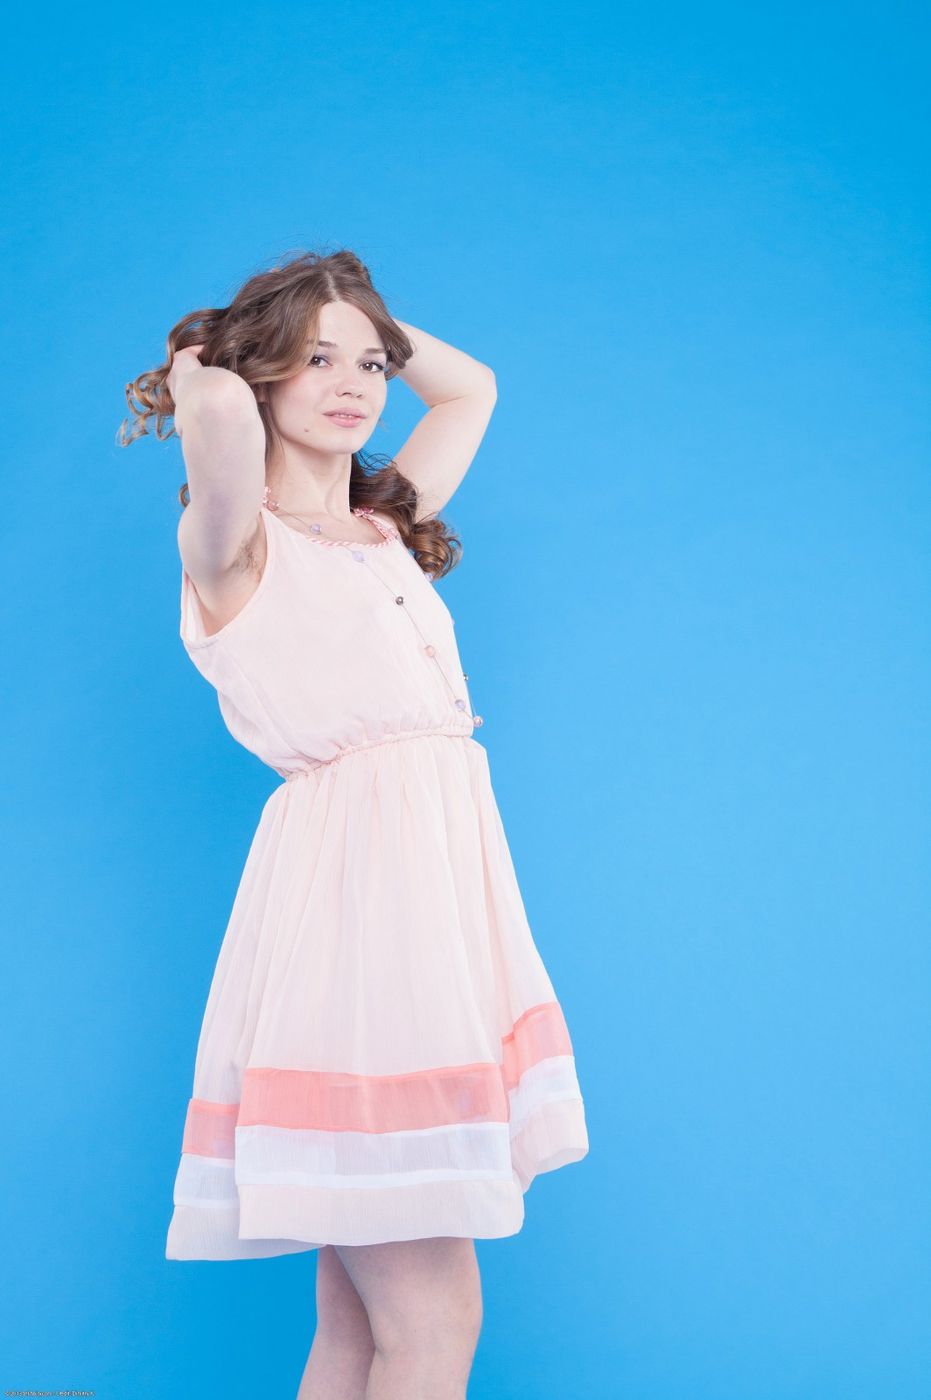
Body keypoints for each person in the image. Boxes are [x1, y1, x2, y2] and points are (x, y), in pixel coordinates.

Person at [119, 248, 589, 1400]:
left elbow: (470, 388)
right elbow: (216, 416)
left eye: (370, 364)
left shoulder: (386, 528)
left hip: (426, 920)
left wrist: (354, 308)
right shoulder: (236, 543)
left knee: (358, 1329)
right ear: (261, 370)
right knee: (434, 1318)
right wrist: (205, 354)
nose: (354, 383)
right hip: (358, 936)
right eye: (316, 359)